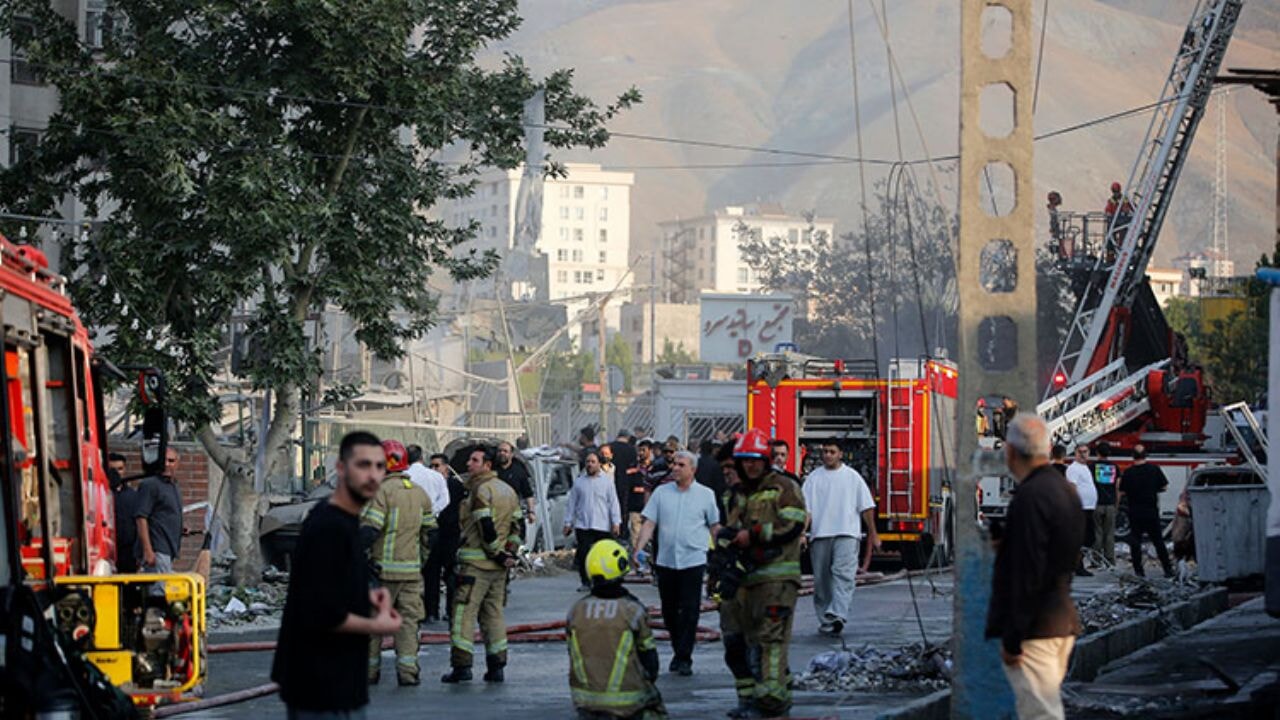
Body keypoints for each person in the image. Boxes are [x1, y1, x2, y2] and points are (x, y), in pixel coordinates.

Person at [272, 431, 402, 719]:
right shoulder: (330, 527)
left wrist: (365, 594)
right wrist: (377, 625)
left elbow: (325, 585)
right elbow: (321, 613)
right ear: (341, 468)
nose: (373, 475)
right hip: (320, 684)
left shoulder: (342, 518)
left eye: (379, 467)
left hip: (337, 681)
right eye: (363, 465)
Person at [985, 414, 1082, 720]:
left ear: (1011, 452)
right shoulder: (1065, 490)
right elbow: (1056, 553)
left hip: (1035, 630)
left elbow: (1029, 572)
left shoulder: (1029, 496)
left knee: (1041, 715)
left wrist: (1013, 638)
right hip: (1060, 618)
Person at [729, 429, 807, 718]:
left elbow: (794, 524)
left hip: (778, 580)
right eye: (744, 460)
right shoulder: (740, 494)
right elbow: (732, 529)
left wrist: (757, 534)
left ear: (765, 460)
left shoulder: (784, 487)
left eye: (755, 460)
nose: (750, 466)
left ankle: (771, 705)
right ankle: (777, 698)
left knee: (771, 640)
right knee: (753, 643)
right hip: (750, 581)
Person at [631, 450, 719, 676]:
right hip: (667, 560)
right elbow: (649, 523)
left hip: (693, 559)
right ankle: (677, 646)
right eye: (674, 465)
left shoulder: (706, 495)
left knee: (690, 610)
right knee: (670, 611)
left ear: (693, 469)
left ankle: (683, 656)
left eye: (681, 465)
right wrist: (639, 548)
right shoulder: (662, 493)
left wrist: (721, 553)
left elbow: (714, 527)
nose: (675, 468)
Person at [443, 446, 522, 684]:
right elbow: (518, 528)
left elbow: (485, 525)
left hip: (474, 567)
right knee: (494, 615)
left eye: (474, 461)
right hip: (499, 570)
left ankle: (462, 667)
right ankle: (497, 666)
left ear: (487, 465)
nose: (469, 465)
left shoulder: (480, 490)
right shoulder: (508, 491)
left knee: (463, 615)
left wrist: (497, 553)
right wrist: (509, 553)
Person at [362, 440, 436, 686]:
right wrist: (421, 559)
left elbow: (369, 531)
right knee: (408, 623)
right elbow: (432, 534)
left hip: (382, 572)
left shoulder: (380, 493)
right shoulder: (418, 493)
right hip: (412, 573)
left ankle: (369, 673)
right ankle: (408, 672)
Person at [566, 539, 666, 720]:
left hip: (585, 703)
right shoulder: (632, 611)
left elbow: (571, 653)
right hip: (628, 703)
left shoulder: (576, 611)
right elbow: (651, 664)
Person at [802, 439, 880, 637]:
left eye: (832, 451)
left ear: (840, 454)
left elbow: (866, 508)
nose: (827, 455)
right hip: (820, 535)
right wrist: (802, 532)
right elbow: (806, 511)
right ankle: (826, 619)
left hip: (847, 533)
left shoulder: (852, 478)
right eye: (825, 451)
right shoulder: (813, 478)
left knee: (843, 575)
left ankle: (838, 613)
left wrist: (874, 534)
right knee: (822, 580)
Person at [564, 451, 622, 590]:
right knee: (584, 554)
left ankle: (602, 581)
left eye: (592, 462)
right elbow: (572, 504)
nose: (589, 465)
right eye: (587, 462)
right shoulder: (579, 482)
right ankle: (585, 581)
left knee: (602, 556)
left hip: (602, 525)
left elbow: (613, 503)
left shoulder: (607, 482)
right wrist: (568, 522)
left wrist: (616, 522)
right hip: (583, 525)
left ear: (599, 464)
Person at [1119, 445, 1174, 578]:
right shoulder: (1154, 469)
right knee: (1158, 541)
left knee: (1135, 542)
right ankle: (1167, 569)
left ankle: (1139, 571)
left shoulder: (1128, 472)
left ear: (1132, 456)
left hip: (1134, 511)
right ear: (1146, 455)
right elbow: (1165, 486)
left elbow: (1122, 491)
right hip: (1151, 511)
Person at [424, 453, 465, 624]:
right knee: (430, 575)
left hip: (450, 536)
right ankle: (431, 611)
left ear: (446, 467)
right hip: (433, 535)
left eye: (437, 466)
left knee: (451, 576)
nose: (434, 469)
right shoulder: (429, 485)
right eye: (431, 466)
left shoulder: (455, 485)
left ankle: (450, 610)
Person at [135, 447, 184, 575]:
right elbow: (141, 518)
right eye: (164, 460)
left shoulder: (173, 486)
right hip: (157, 549)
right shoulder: (150, 485)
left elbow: (164, 514)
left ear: (178, 463)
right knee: (159, 592)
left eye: (171, 461)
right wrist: (148, 550)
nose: (167, 464)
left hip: (168, 549)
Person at [1066, 445, 1098, 578]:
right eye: (1080, 452)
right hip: (1081, 508)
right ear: (1075, 454)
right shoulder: (1073, 469)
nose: (1083, 454)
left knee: (1089, 538)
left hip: (1089, 507)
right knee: (1083, 538)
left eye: (1085, 452)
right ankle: (1077, 566)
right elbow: (1072, 487)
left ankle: (1077, 564)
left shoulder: (1085, 467)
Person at [109, 453, 140, 573]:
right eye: (112, 469)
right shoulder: (100, 493)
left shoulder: (133, 495)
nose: (117, 473)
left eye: (120, 469)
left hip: (128, 553)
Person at [495, 441, 537, 529]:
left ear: (511, 454)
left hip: (513, 515)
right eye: (499, 451)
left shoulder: (519, 472)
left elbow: (528, 494)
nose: (502, 453)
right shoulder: (491, 471)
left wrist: (531, 512)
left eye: (505, 451)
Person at [406, 444, 450, 521]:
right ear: (421, 458)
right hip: (431, 520)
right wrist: (431, 512)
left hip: (410, 520)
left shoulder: (404, 476)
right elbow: (445, 500)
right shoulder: (437, 476)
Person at [1092, 444, 1119, 567]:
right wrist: (1116, 503)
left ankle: (1096, 560)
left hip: (1096, 503)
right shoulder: (1115, 467)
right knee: (1109, 533)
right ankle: (1110, 560)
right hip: (1110, 504)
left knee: (1097, 532)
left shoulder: (1092, 467)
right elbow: (1118, 487)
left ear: (1097, 453)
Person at [609, 430, 638, 543]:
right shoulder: (631, 450)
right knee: (623, 509)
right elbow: (634, 468)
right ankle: (622, 533)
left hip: (610, 481)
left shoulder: (610, 447)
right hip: (625, 483)